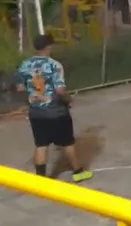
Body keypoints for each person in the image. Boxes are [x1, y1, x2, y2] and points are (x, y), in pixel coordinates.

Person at [16, 34, 93, 182]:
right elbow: (60, 90)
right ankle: (78, 172)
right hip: (56, 111)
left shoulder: (25, 64)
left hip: (36, 112)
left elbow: (20, 87)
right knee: (67, 143)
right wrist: (68, 99)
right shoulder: (54, 65)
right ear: (48, 47)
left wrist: (33, 95)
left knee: (41, 145)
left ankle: (41, 179)